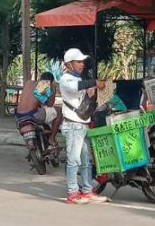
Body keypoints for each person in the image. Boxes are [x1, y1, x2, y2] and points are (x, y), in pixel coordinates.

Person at [59, 48, 108, 205]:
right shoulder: (66, 79)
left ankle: (87, 190)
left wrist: (91, 92)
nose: (81, 64)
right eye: (78, 62)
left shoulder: (77, 79)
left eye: (82, 62)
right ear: (69, 64)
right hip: (73, 125)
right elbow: (77, 86)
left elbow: (81, 92)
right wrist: (94, 82)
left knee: (86, 160)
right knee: (74, 161)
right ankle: (72, 193)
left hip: (82, 124)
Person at [15, 72, 62, 150]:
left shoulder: (28, 83)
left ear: (40, 78)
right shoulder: (44, 84)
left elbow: (36, 97)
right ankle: (52, 139)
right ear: (51, 81)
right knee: (59, 111)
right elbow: (50, 104)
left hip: (19, 115)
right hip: (32, 115)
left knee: (42, 110)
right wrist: (52, 89)